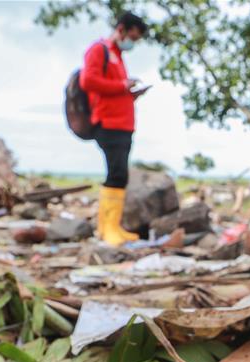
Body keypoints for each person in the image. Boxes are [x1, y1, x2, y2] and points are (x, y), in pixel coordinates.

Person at [80, 11, 149, 245]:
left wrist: (130, 94)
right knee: (116, 173)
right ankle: (106, 230)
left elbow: (115, 90)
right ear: (121, 29)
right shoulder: (100, 50)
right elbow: (87, 81)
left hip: (122, 124)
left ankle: (112, 227)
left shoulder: (117, 55)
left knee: (120, 175)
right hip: (108, 124)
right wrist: (122, 85)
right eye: (133, 36)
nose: (133, 42)